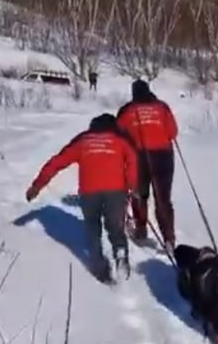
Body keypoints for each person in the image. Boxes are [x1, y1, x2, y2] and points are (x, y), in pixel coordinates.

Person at [25, 113, 138, 283]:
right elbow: (133, 161)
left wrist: (37, 185)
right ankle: (121, 256)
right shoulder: (120, 140)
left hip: (89, 193)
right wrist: (133, 185)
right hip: (116, 191)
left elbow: (58, 161)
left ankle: (100, 269)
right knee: (115, 228)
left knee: (92, 228)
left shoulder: (83, 140)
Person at [116, 79, 179, 253]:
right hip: (164, 157)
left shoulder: (126, 110)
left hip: (139, 156)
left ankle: (141, 229)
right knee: (163, 198)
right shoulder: (162, 107)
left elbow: (119, 136)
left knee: (139, 195)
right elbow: (173, 133)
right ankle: (169, 239)